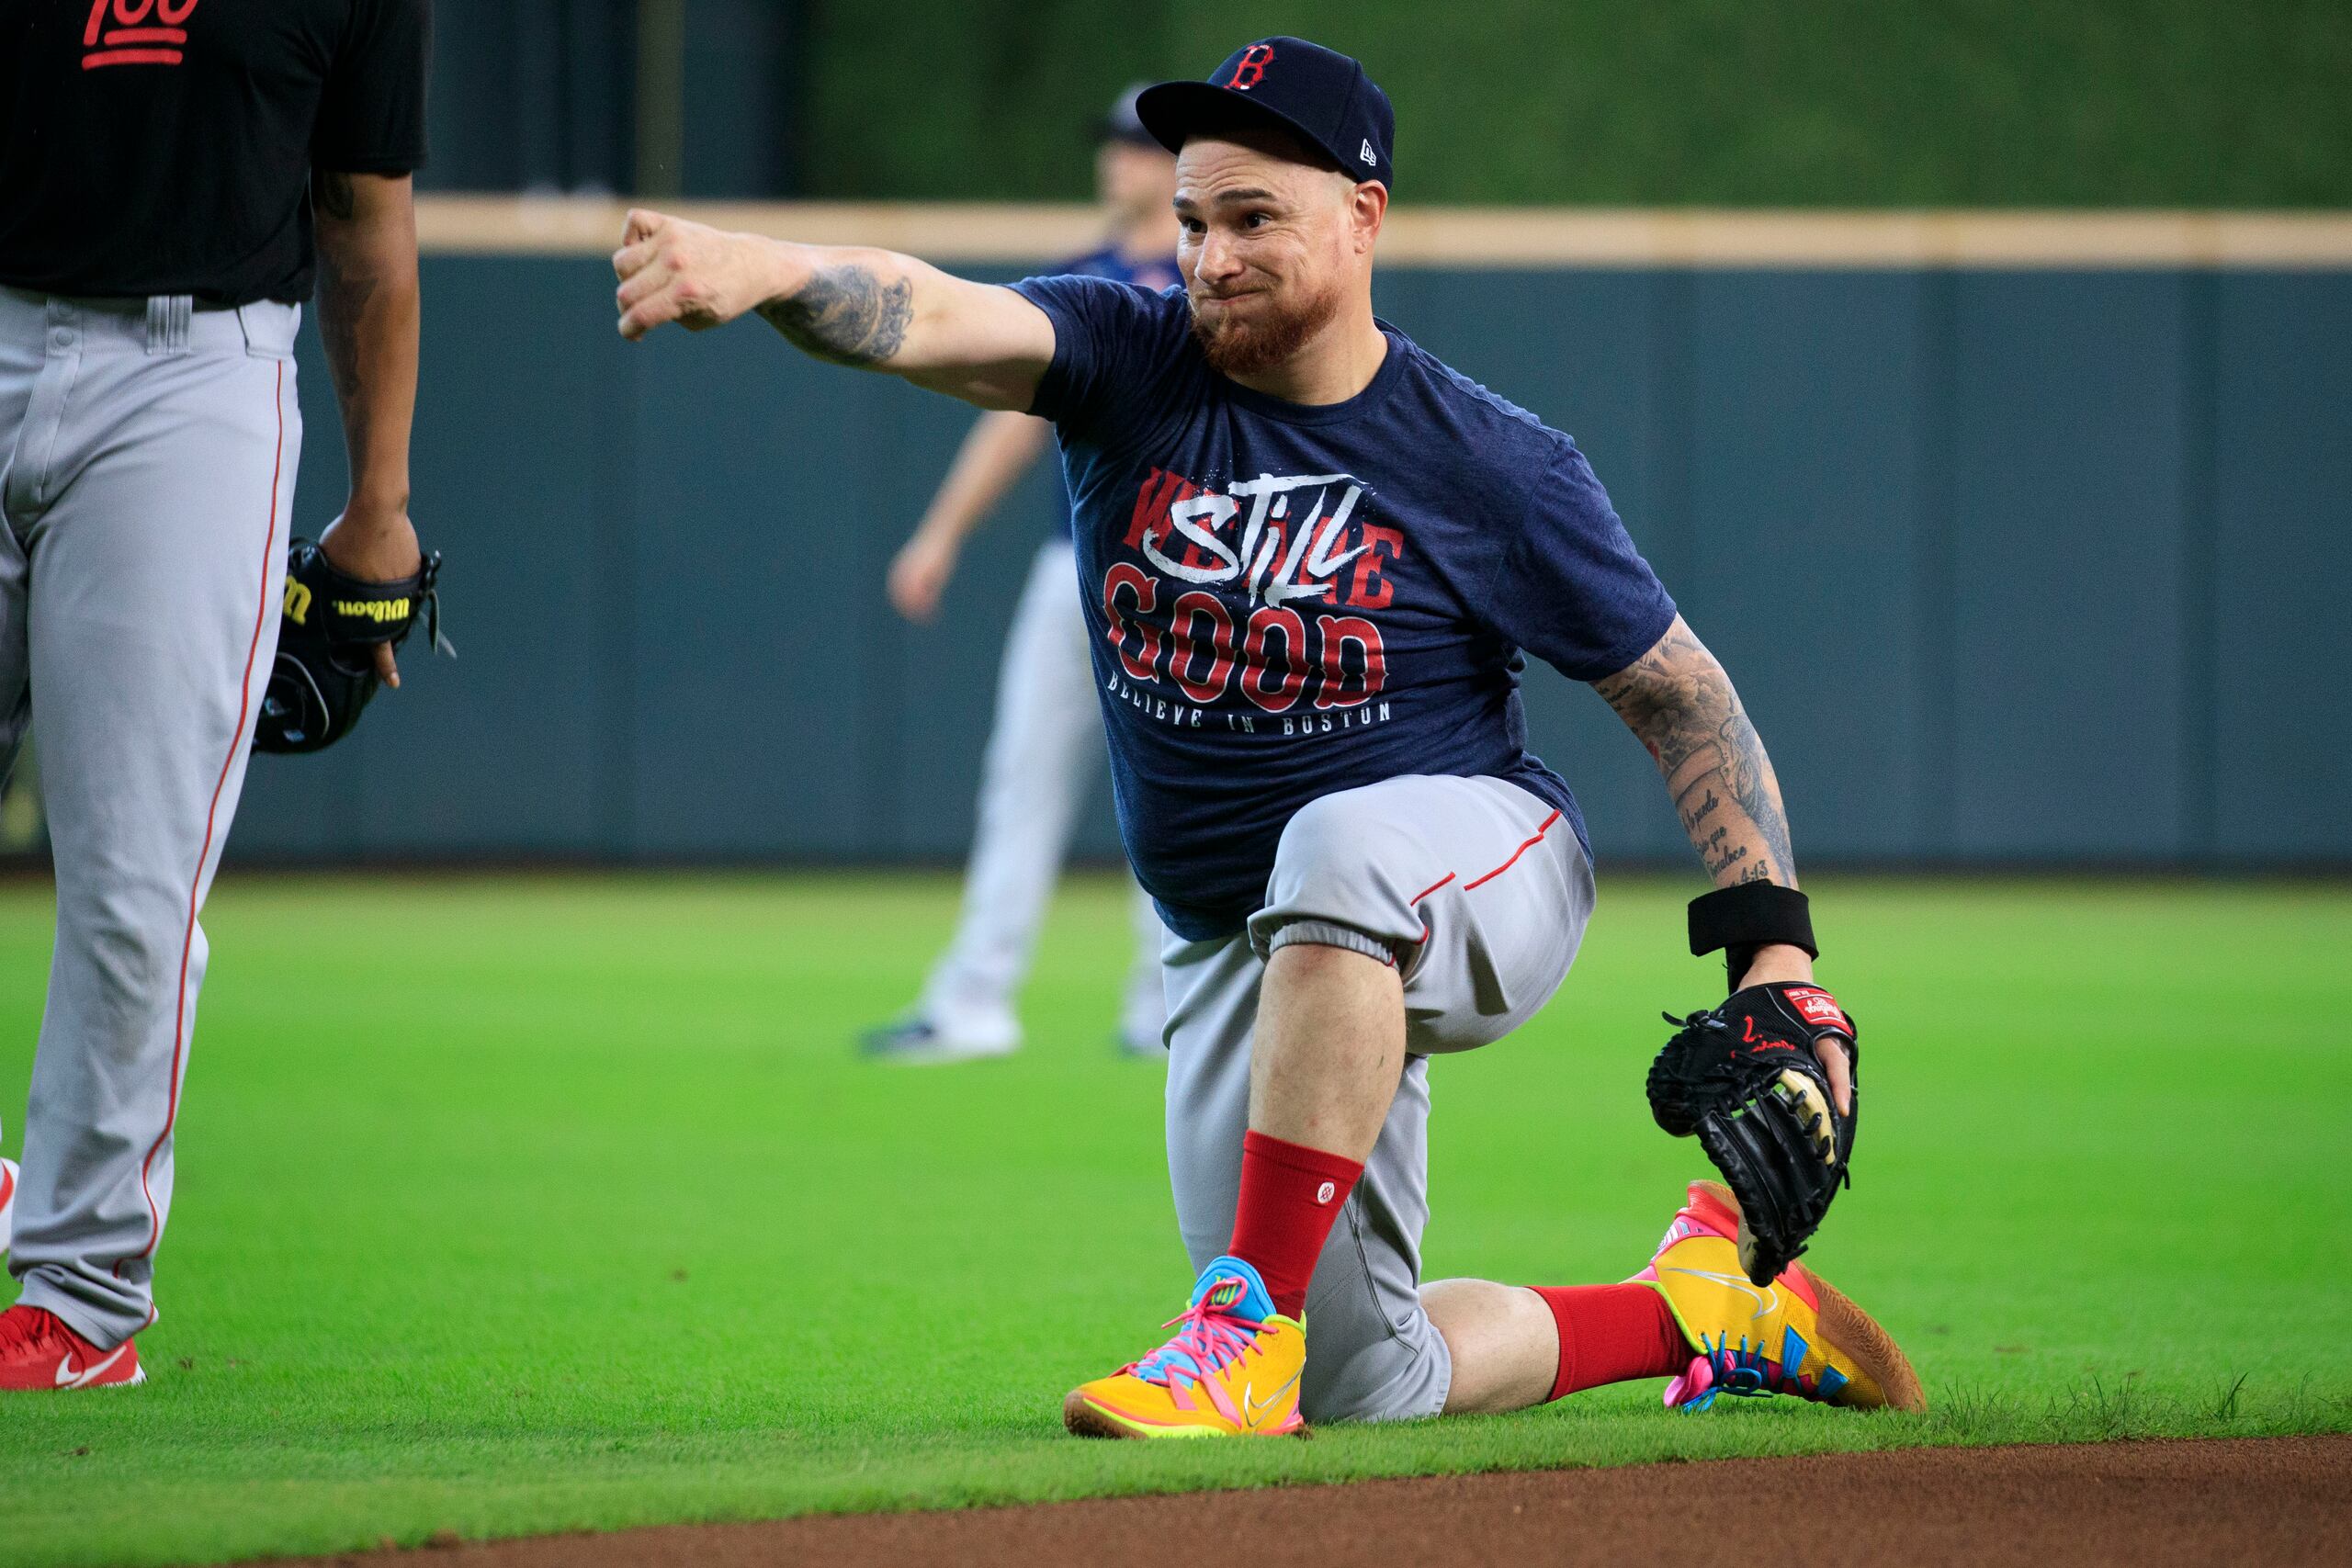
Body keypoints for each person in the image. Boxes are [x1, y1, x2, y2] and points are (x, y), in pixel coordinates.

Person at [611, 35, 1922, 1436]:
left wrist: (1776, 959)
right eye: (1189, 221)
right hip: (1243, 938)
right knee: (1368, 1377)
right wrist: (775, 271)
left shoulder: (1488, 458)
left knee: (1338, 846)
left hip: (1478, 860)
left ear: (1363, 216)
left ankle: (1238, 1323)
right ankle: (1705, 1305)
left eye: (1252, 219)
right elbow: (931, 314)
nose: (1210, 255)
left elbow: (1683, 696)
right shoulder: (1130, 358)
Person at [0, 0, 433, 1390]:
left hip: (188, 379)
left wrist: (381, 505)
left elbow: (365, 224)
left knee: (133, 873)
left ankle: (75, 1291)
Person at [863, 88, 1181, 1064]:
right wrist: (940, 533)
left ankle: (1167, 1013)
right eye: (1113, 145)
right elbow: (1010, 419)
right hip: (1076, 568)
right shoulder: (1083, 280)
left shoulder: (1221, 277)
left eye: (1137, 147)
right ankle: (974, 1002)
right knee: (1022, 779)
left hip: (1190, 576)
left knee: (1176, 788)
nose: (1116, 162)